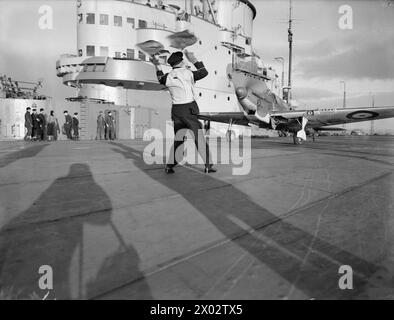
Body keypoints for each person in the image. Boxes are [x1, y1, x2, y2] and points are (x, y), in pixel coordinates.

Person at [153, 50, 216, 174]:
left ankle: (169, 166)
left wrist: (157, 65)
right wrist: (194, 60)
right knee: (199, 139)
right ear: (181, 62)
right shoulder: (187, 73)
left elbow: (160, 78)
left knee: (179, 140)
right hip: (188, 110)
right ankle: (208, 166)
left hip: (176, 111)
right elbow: (204, 72)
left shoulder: (168, 76)